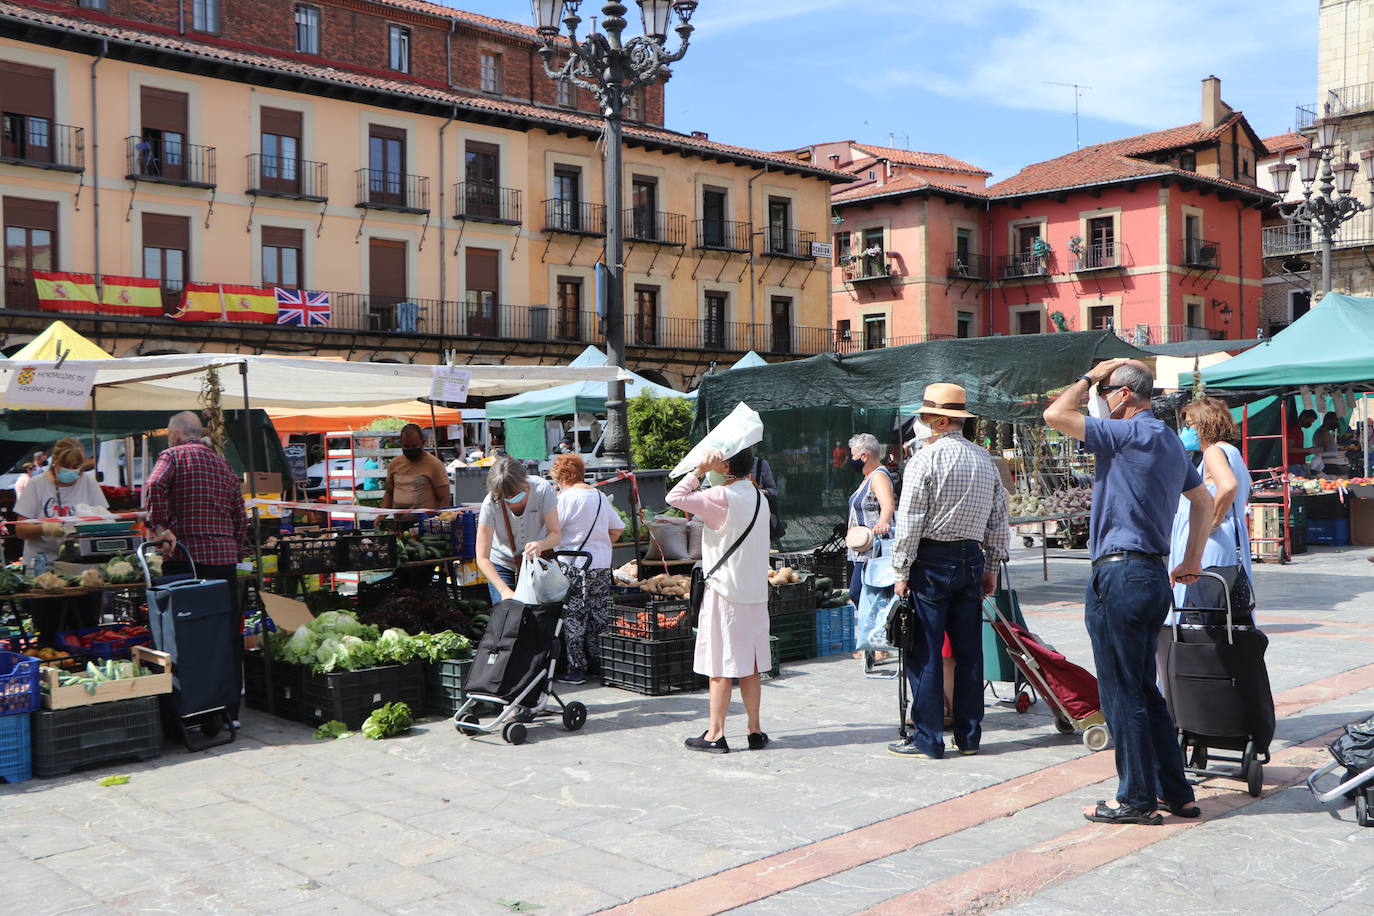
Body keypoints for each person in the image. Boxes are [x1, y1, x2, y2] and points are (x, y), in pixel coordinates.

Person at [1044, 359, 1213, 825]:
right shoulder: (1167, 440)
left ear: (1122, 396)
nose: (1101, 396)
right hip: (1152, 574)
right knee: (1143, 688)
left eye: (1106, 391)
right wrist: (1192, 558)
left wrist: (1085, 376)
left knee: (1122, 692)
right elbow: (1203, 500)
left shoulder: (1126, 432)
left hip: (1119, 573)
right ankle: (1175, 792)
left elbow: (1054, 415)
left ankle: (1135, 797)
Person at [887, 384, 1008, 760]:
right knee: (970, 653)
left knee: (926, 652)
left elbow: (910, 521)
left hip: (931, 560)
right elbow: (998, 518)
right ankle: (969, 737)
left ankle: (929, 739)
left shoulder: (925, 460)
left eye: (923, 417)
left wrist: (901, 569)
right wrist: (991, 566)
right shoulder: (984, 459)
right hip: (971, 558)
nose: (919, 423)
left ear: (939, 421)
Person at [143, 412, 249, 721]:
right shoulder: (223, 463)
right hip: (224, 562)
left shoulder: (172, 456)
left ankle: (192, 708)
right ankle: (229, 710)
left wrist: (160, 527)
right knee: (224, 635)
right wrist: (234, 547)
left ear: (175, 434)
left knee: (187, 637)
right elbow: (239, 515)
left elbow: (154, 485)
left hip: (186, 559)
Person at [667, 447, 772, 754]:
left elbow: (675, 498)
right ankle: (755, 730)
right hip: (753, 591)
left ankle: (716, 732)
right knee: (751, 665)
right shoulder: (758, 497)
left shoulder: (720, 498)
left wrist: (699, 470)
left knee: (720, 665)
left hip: (725, 591)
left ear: (724, 465)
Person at [1169, 397, 1254, 621]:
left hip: (1210, 547)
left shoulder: (1213, 452)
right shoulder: (1231, 452)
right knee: (1221, 614)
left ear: (1205, 424)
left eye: (1190, 425)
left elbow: (1228, 486)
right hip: (1227, 541)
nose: (1187, 431)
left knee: (1200, 612)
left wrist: (1209, 524)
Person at [550, 453, 623, 684]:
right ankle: (599, 663)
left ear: (562, 475)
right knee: (598, 614)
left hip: (574, 565)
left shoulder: (565, 498)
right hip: (601, 564)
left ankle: (576, 668)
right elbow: (618, 528)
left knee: (574, 616)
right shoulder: (600, 496)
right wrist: (601, 545)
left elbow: (552, 532)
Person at [474, 457, 561, 604]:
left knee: (540, 615)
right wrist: (504, 591)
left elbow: (556, 534)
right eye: (506, 497)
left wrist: (541, 545)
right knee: (508, 614)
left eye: (518, 493)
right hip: (502, 562)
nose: (514, 499)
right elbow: (482, 557)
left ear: (525, 480)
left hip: (536, 562)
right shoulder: (491, 502)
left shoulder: (542, 489)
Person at [845, 433, 895, 663]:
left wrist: (883, 522)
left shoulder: (879, 476)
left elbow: (887, 505)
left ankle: (879, 641)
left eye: (853, 455)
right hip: (862, 550)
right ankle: (876, 641)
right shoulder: (867, 477)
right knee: (861, 594)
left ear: (864, 456)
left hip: (874, 549)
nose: (851, 460)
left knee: (862, 592)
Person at [382, 424, 450, 510]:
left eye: (414, 446)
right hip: (399, 520)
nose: (410, 449)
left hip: (425, 520)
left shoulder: (434, 464)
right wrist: (382, 514)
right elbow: (389, 492)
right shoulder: (394, 463)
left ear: (422, 443)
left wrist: (437, 519)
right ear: (401, 444)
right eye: (406, 446)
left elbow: (444, 498)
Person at [751, 454, 784, 544]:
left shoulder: (761, 464)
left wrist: (763, 492)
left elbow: (773, 490)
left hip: (760, 517)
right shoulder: (726, 465)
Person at [1313, 411, 1352, 477]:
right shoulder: (1322, 433)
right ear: (1328, 420)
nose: (1337, 423)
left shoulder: (1326, 432)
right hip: (1327, 465)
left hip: (1331, 463)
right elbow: (1322, 450)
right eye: (1336, 420)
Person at [1286, 408, 1318, 474]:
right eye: (1310, 421)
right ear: (1303, 417)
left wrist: (1311, 451)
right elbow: (1288, 449)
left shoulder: (1300, 431)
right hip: (1293, 466)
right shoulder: (1293, 430)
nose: (1310, 424)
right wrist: (1308, 450)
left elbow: (1299, 451)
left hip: (1299, 465)